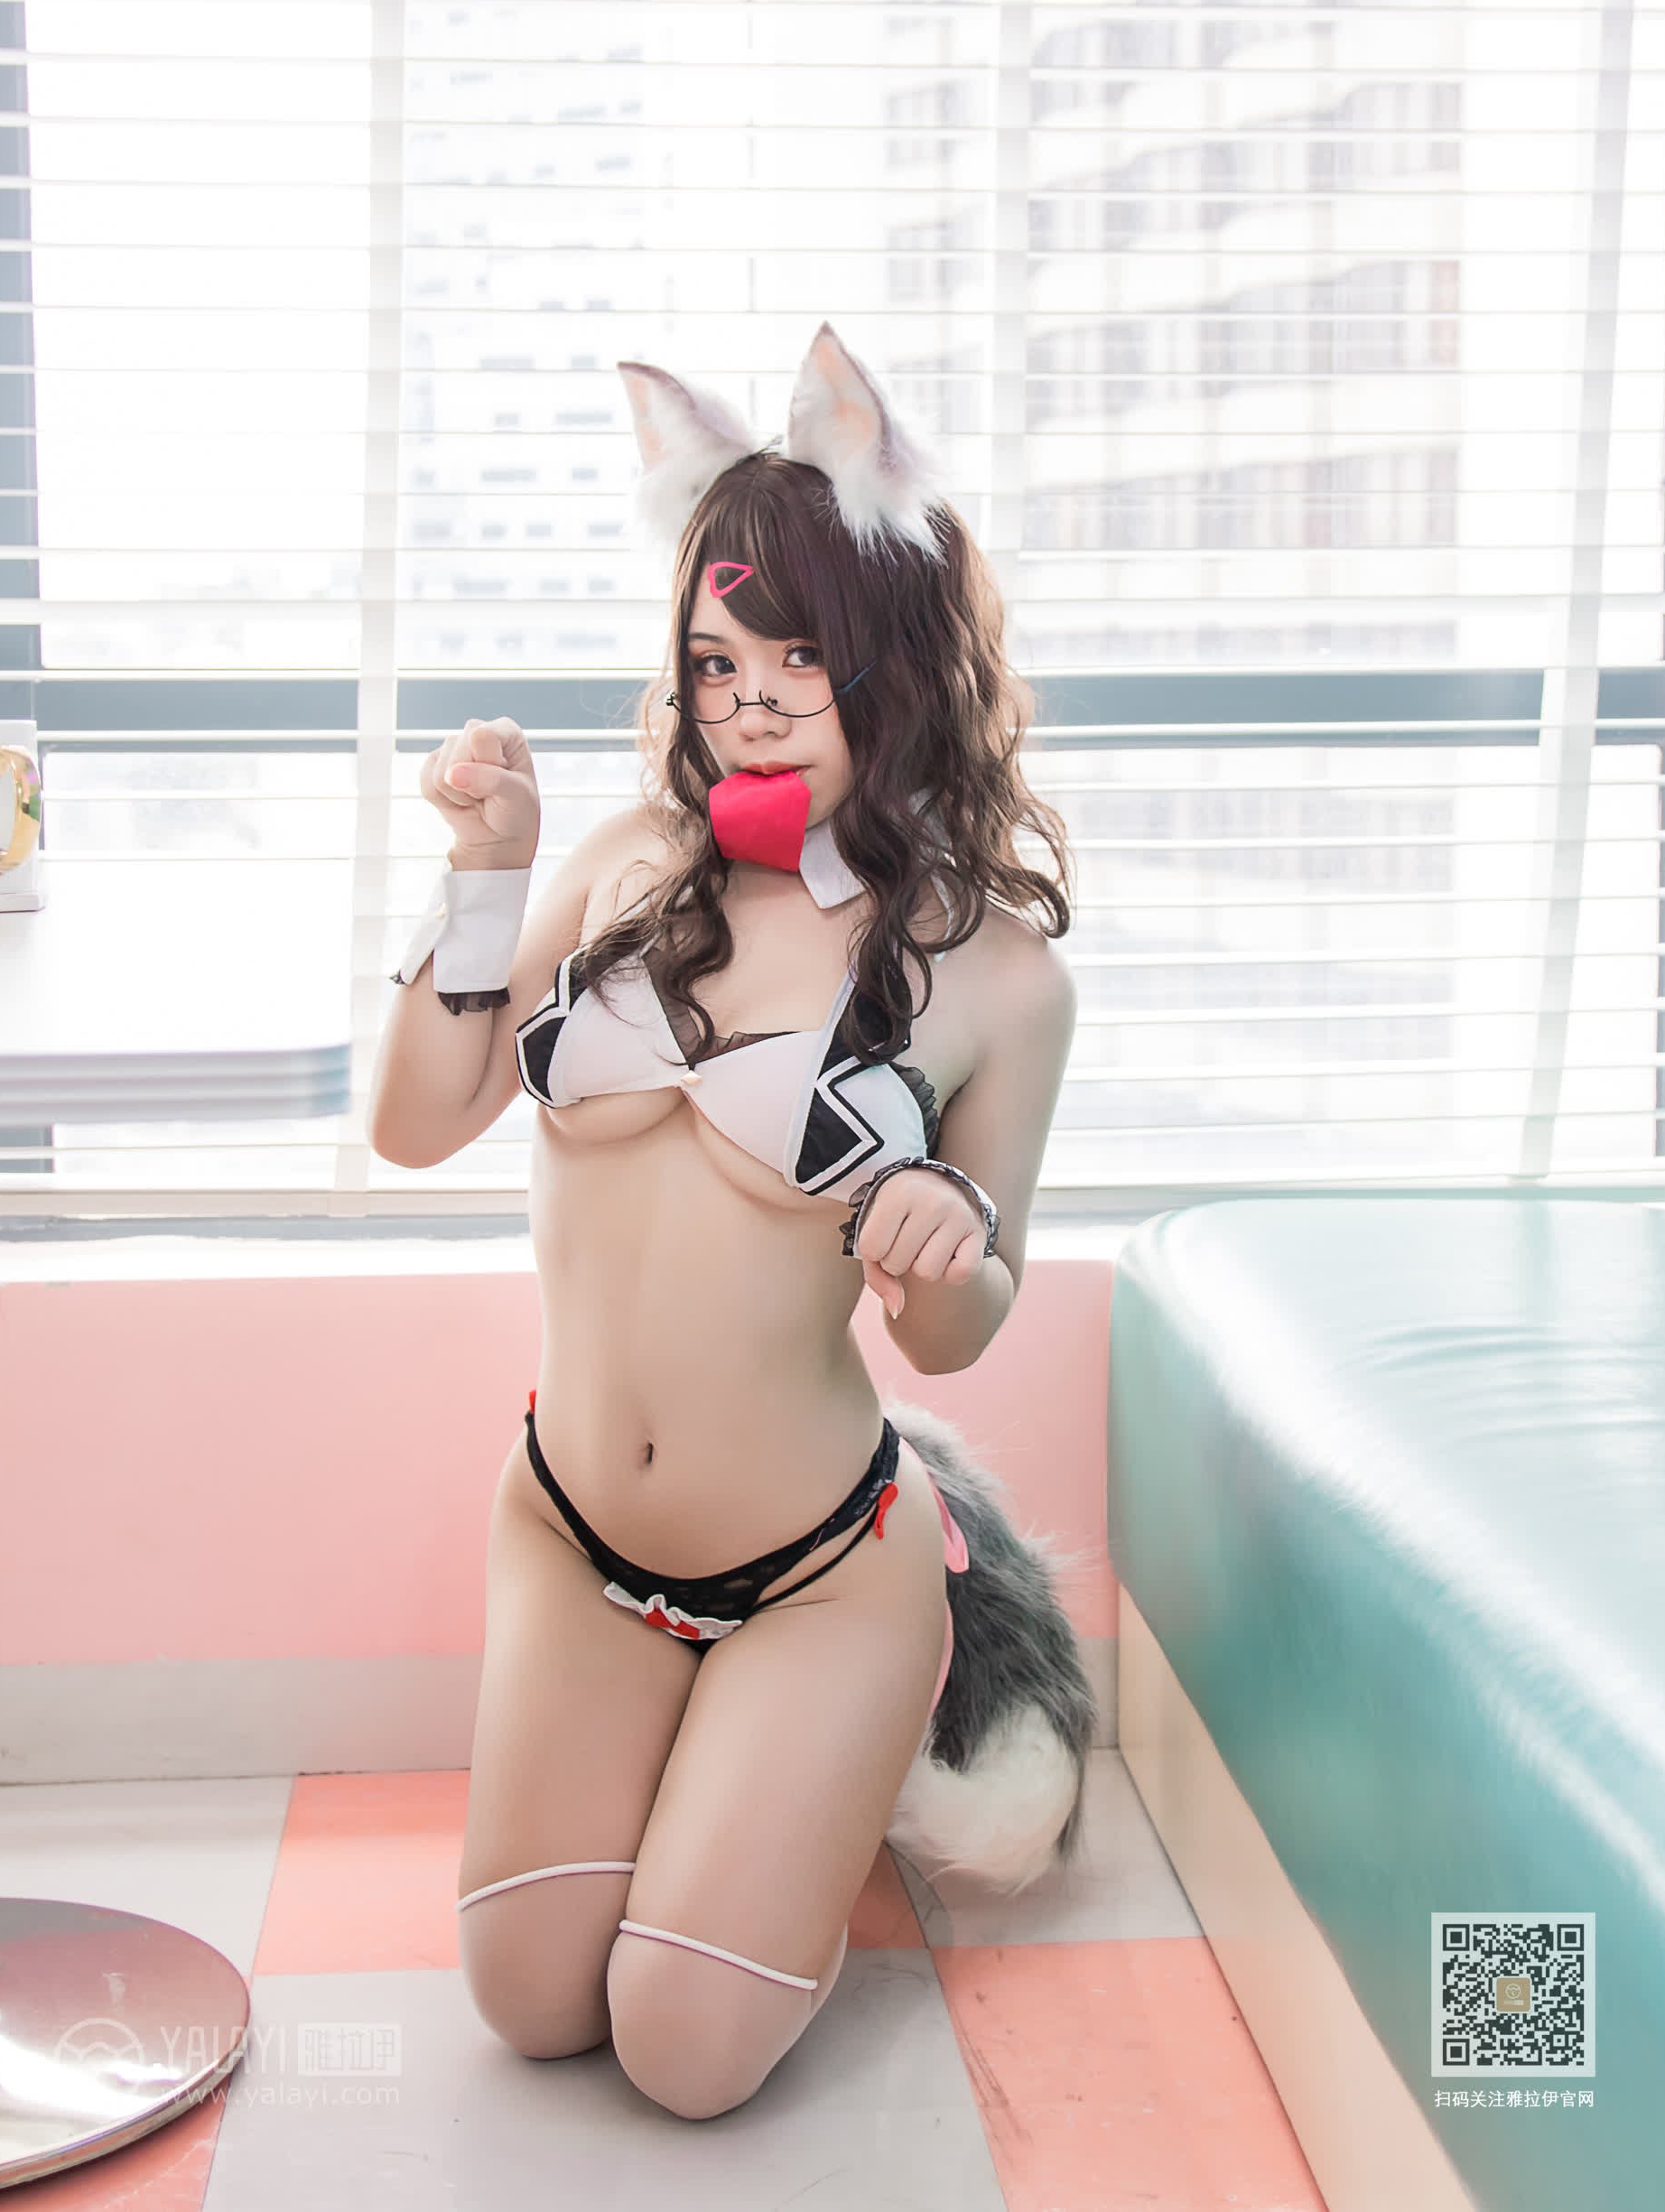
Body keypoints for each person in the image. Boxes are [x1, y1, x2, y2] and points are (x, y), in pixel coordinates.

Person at [367, 321, 1084, 2121]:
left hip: (817, 1567)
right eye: (715, 658)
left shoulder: (996, 973)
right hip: (570, 1530)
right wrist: (483, 874)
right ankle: (728, 1801)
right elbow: (416, 1123)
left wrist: (939, 1234)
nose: (749, 699)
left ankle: (815, 1782)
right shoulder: (622, 861)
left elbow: (957, 1331)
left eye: (799, 656)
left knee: (684, 2053)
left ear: (895, 659)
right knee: (532, 2004)